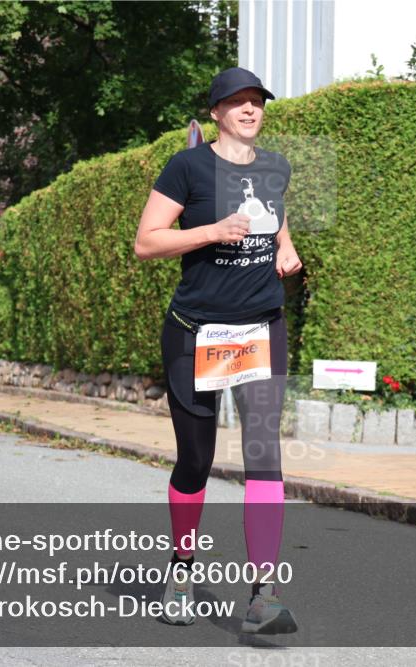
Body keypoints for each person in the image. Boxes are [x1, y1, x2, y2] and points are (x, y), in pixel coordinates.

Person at [135, 67, 303, 634]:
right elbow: (147, 241)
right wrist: (211, 232)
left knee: (264, 456)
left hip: (259, 328)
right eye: (237, 102)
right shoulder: (187, 166)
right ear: (216, 113)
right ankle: (181, 571)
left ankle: (264, 594)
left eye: (257, 101)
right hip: (197, 332)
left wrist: (285, 248)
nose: (250, 109)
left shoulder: (276, 166)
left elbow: (274, 219)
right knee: (195, 460)